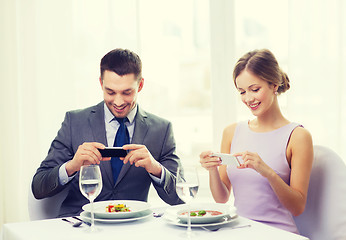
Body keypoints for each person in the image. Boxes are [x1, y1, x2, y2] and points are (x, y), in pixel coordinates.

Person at [32, 48, 183, 217]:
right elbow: (38, 187)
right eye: (110, 92)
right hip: (80, 226)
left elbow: (180, 198)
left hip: (132, 227)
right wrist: (72, 166)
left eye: (127, 92)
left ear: (140, 85)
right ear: (100, 84)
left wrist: (155, 168)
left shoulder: (161, 130)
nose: (118, 102)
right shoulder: (74, 122)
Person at [199, 49, 313, 234]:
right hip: (238, 231)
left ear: (274, 85)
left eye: (255, 89)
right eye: (242, 92)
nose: (248, 98)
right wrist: (212, 169)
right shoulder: (231, 132)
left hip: (277, 233)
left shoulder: (298, 136)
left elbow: (297, 207)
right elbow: (221, 198)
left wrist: (266, 171)